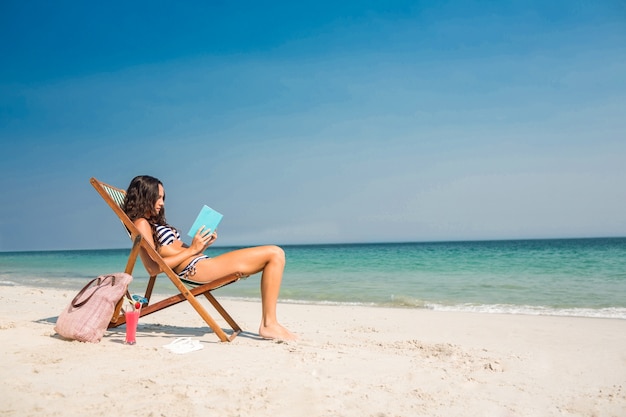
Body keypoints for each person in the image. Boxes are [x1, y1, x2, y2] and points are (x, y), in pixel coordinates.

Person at [122, 175, 296, 341]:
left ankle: (269, 322)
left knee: (274, 254)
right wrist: (193, 249)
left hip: (201, 263)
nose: (162, 203)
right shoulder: (141, 224)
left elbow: (178, 252)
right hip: (196, 270)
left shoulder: (153, 223)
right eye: (157, 197)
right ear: (145, 197)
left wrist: (202, 245)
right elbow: (152, 268)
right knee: (275, 253)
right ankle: (269, 324)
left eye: (163, 198)